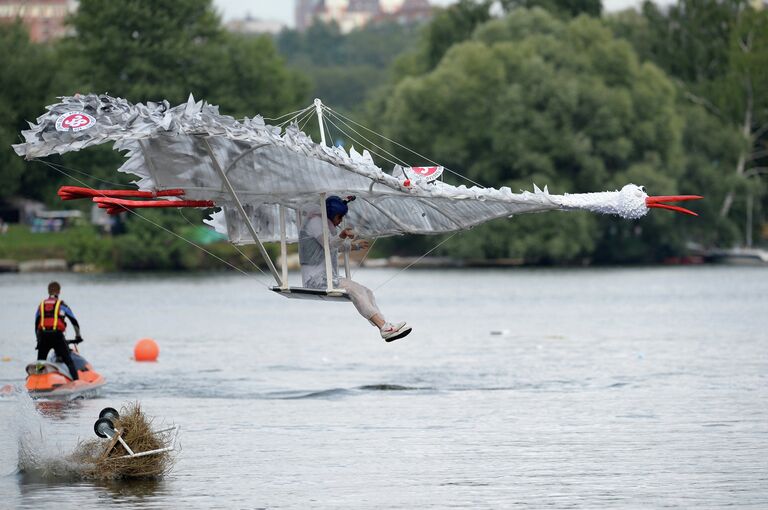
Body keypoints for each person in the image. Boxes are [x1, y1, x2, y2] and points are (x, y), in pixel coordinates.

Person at [299, 196, 412, 342]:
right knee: (354, 290)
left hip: (326, 277)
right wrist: (342, 235)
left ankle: (384, 326)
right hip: (315, 279)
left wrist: (355, 246)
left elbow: (334, 246)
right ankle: (384, 328)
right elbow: (328, 244)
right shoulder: (315, 222)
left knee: (367, 291)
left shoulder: (324, 224)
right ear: (332, 214)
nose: (340, 221)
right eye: (339, 217)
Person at [35, 281, 82, 380]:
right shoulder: (62, 305)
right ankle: (77, 383)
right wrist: (78, 336)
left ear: (48, 291)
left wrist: (38, 340)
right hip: (57, 337)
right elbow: (74, 322)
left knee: (40, 362)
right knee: (69, 361)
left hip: (43, 336)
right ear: (59, 291)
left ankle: (37, 383)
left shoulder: (41, 305)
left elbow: (36, 323)